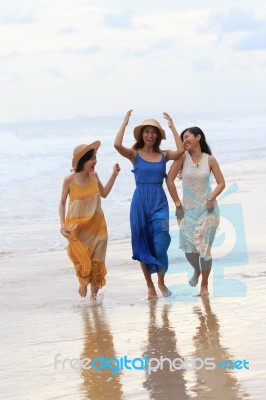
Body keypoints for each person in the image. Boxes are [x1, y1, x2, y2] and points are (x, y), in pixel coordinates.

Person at [114, 110, 184, 300]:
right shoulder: (134, 154)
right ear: (141, 134)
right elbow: (116, 144)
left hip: (159, 203)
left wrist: (172, 126)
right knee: (143, 246)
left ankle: (161, 281)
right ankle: (150, 286)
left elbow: (181, 151)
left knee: (161, 244)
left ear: (158, 136)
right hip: (139, 205)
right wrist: (125, 122)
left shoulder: (164, 154)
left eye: (154, 132)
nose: (150, 135)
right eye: (147, 132)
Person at [59, 140, 120, 304]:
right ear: (82, 161)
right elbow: (62, 202)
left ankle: (93, 299)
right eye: (92, 158)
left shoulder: (95, 176)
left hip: (98, 227)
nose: (95, 161)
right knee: (82, 259)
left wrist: (114, 175)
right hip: (78, 228)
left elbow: (104, 193)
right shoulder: (69, 180)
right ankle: (83, 282)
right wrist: (62, 224)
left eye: (95, 158)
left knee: (97, 262)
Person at [167, 127, 225, 296]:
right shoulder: (182, 158)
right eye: (182, 138)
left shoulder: (210, 160)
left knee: (205, 249)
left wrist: (211, 198)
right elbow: (169, 181)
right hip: (187, 212)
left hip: (209, 211)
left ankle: (204, 286)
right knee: (189, 249)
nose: (184, 141)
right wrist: (178, 205)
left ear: (198, 137)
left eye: (187, 137)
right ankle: (196, 269)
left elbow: (221, 183)